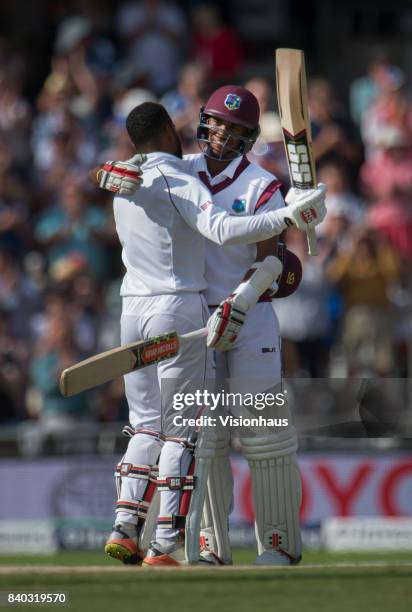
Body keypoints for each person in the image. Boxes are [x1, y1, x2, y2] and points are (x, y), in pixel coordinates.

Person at [91, 101, 327, 567]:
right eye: (216, 123)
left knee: (264, 436)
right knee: (206, 438)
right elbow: (138, 162)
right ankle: (207, 546)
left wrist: (240, 302)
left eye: (233, 128)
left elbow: (274, 258)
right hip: (194, 322)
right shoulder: (183, 168)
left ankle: (277, 543)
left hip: (248, 318)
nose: (220, 134)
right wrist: (105, 171)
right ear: (202, 124)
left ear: (247, 134)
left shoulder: (261, 182)